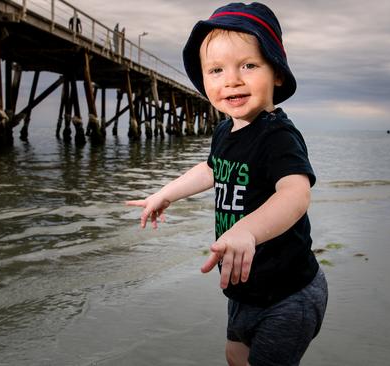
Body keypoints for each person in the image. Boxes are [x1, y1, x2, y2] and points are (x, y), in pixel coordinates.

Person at [126, 3, 327, 365]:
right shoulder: (225, 130)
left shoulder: (277, 135)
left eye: (248, 66)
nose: (231, 79)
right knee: (235, 358)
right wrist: (165, 194)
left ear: (277, 74)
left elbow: (296, 194)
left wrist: (247, 230)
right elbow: (211, 168)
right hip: (244, 291)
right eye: (216, 70)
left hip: (288, 294)